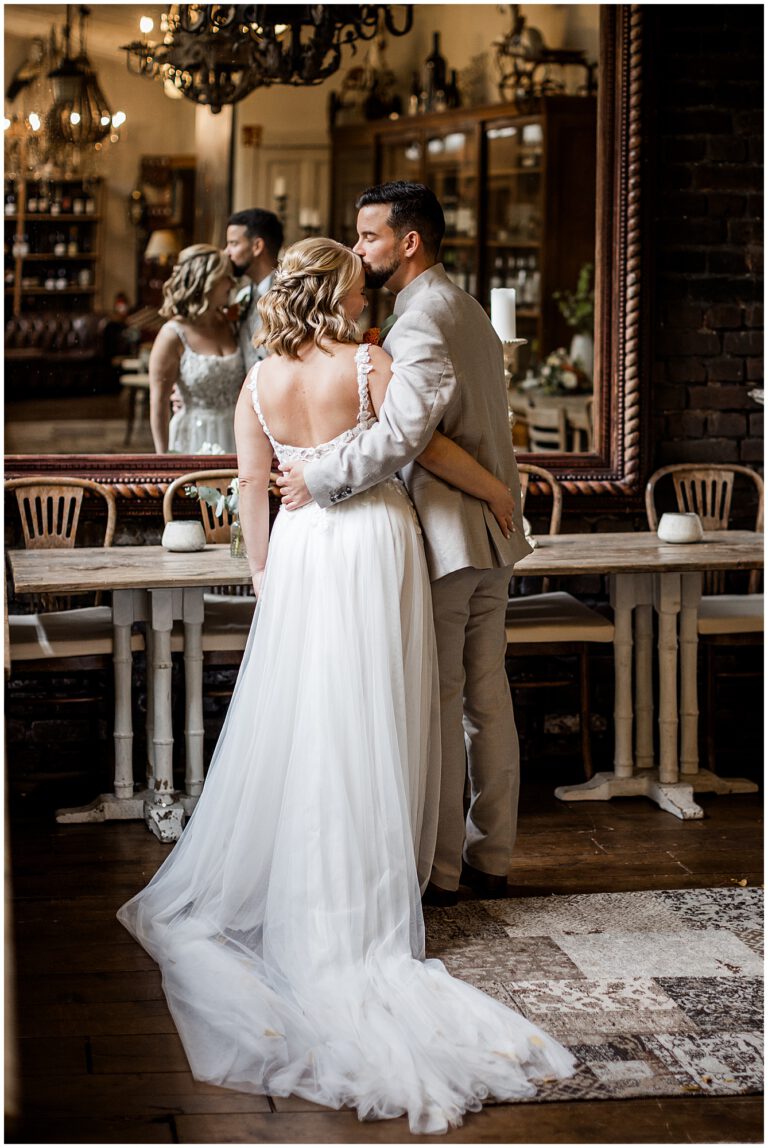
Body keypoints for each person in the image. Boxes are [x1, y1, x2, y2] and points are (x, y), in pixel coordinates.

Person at [118, 238, 575, 1134]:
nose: (369, 291)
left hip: (299, 558)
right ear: (338, 290)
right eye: (359, 281)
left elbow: (253, 487)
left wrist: (264, 579)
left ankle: (318, 886)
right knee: (383, 716)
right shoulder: (370, 362)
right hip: (374, 546)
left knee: (311, 722)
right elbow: (425, 448)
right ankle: (375, 890)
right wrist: (497, 489)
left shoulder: (257, 381)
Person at [278, 182, 531, 905]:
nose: (360, 250)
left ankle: (445, 873)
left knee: (447, 703)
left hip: (451, 541)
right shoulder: (466, 307)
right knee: (486, 699)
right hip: (490, 536)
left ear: (408, 241)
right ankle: (494, 856)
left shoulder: (420, 320)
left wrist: (316, 477)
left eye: (369, 238)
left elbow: (401, 437)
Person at [149, 244, 244, 454]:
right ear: (205, 282)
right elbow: (159, 402)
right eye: (225, 277)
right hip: (193, 435)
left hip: (235, 432)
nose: (232, 283)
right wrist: (162, 458)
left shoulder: (231, 323)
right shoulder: (172, 335)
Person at [225, 207, 283, 371]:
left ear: (257, 246)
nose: (226, 252)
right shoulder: (244, 295)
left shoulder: (290, 296)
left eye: (233, 244)